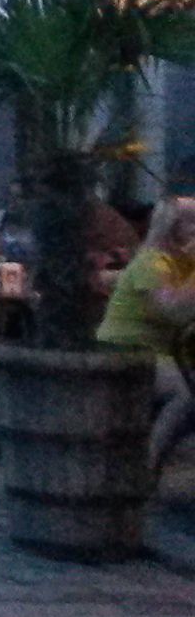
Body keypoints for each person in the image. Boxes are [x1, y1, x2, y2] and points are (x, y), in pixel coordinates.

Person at [115, 198, 195, 473]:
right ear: (171, 228)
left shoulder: (174, 261)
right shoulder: (151, 260)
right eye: (191, 223)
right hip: (131, 347)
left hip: (160, 348)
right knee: (183, 397)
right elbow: (171, 310)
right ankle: (145, 464)